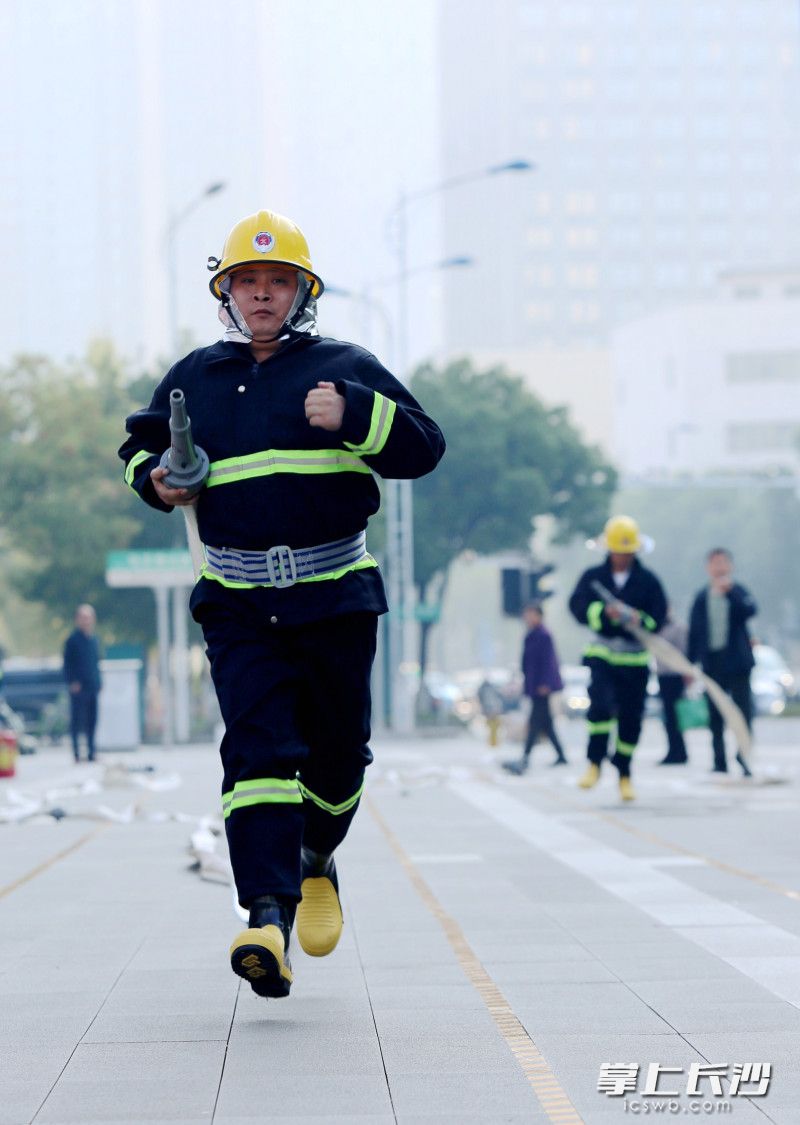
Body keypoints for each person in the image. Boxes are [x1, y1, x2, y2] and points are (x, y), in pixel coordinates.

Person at [119, 209, 445, 1000]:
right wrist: (157, 479)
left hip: (335, 597)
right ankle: (265, 916)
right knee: (257, 752)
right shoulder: (194, 375)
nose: (262, 295)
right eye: (247, 281)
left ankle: (315, 855)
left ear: (303, 291)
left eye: (278, 281)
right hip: (238, 604)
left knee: (337, 759)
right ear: (225, 291)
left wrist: (357, 417)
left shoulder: (344, 365)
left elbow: (424, 446)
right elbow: (137, 445)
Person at [568, 515, 667, 801]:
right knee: (599, 710)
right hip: (602, 656)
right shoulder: (593, 578)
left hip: (634, 661)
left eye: (628, 552)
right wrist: (601, 613)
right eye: (618, 552)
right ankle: (594, 763)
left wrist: (638, 619)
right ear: (608, 550)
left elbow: (658, 619)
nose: (622, 558)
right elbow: (577, 608)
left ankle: (623, 772)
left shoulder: (648, 582)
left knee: (631, 719)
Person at [688, 548, 755, 777]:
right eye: (714, 563)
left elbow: (749, 611)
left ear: (730, 566)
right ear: (708, 567)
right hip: (712, 662)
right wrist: (689, 664)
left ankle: (744, 756)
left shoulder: (738, 591)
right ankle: (719, 760)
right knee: (715, 712)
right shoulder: (702, 596)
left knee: (743, 711)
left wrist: (731, 593)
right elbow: (695, 632)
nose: (719, 567)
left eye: (723, 562)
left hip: (737, 660)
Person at [502, 602, 566, 774]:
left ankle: (525, 758)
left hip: (541, 687)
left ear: (539, 616)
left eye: (530, 614)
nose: (527, 618)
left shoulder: (544, 635)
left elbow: (549, 662)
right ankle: (561, 755)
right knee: (545, 724)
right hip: (534, 684)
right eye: (526, 614)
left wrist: (545, 684)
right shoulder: (531, 635)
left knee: (535, 722)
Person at [63, 604, 102, 762]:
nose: (86, 621)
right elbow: (67, 664)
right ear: (77, 620)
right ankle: (77, 753)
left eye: (89, 617)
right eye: (83, 618)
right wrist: (72, 681)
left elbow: (96, 663)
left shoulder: (94, 640)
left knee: (92, 720)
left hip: (92, 686)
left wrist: (99, 682)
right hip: (78, 687)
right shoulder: (72, 641)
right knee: (77, 721)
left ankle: (92, 752)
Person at [656, 609, 689, 765]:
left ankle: (680, 752)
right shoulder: (657, 627)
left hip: (675, 675)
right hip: (662, 675)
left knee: (676, 716)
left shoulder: (678, 628)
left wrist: (686, 672)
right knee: (668, 717)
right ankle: (673, 750)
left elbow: (684, 650)